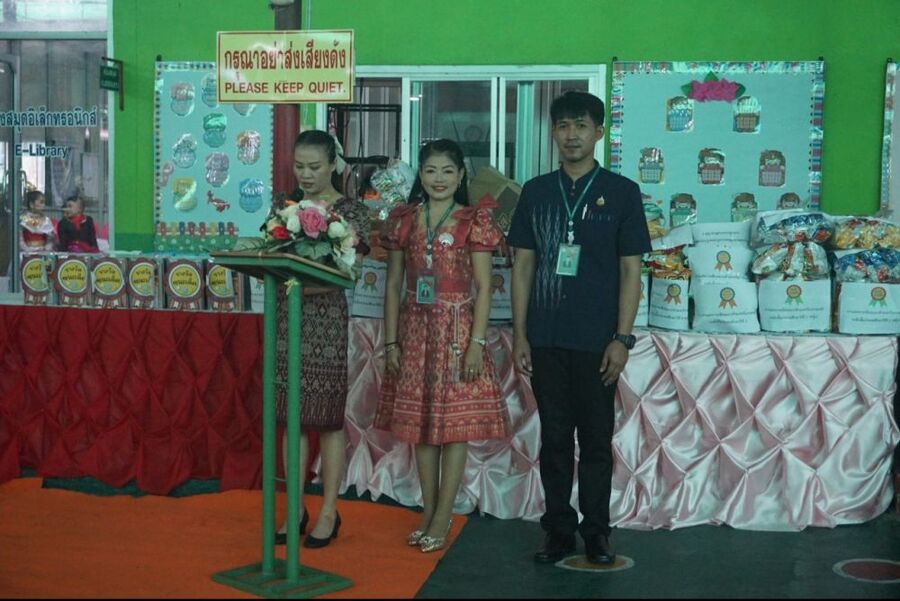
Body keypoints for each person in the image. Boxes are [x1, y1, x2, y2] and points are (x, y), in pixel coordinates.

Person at [507, 91, 651, 565]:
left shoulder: (622, 192)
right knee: (553, 440)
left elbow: (631, 270)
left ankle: (597, 533)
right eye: (563, 125)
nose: (572, 135)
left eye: (582, 126)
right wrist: (521, 333)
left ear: (599, 132)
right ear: (553, 132)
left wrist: (622, 338)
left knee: (595, 442)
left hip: (597, 340)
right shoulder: (536, 192)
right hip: (546, 336)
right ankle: (558, 531)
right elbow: (523, 266)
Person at [375, 139, 510, 553]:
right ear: (420, 173)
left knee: (454, 429)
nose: (439, 179)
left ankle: (443, 514)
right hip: (415, 332)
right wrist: (392, 342)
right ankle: (429, 512)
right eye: (431, 170)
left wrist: (476, 343)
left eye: (448, 171)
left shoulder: (474, 220)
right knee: (422, 427)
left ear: (461, 175)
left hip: (457, 332)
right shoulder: (405, 219)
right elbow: (393, 285)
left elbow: (484, 287)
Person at [273, 129, 370, 549]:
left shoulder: (351, 211)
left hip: (327, 320)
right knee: (290, 417)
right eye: (299, 166)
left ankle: (329, 509)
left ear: (333, 164)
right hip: (287, 319)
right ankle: (294, 508)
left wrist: (303, 281)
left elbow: (350, 272)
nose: (306, 174)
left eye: (314, 166)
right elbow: (270, 254)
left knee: (328, 420)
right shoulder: (284, 207)